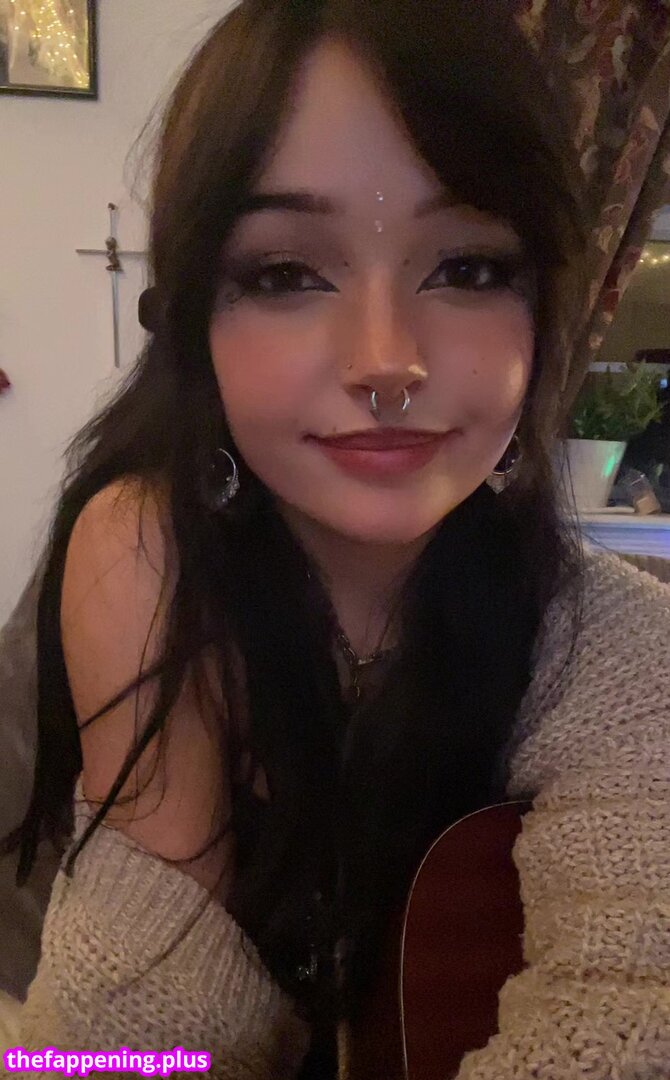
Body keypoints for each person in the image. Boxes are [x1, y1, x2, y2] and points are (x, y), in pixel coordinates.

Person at [3, 1, 670, 1077]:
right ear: (193, 324)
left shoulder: (622, 651)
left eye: (468, 268)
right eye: (284, 273)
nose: (386, 360)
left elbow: (632, 1021)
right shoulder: (135, 567)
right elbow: (129, 1051)